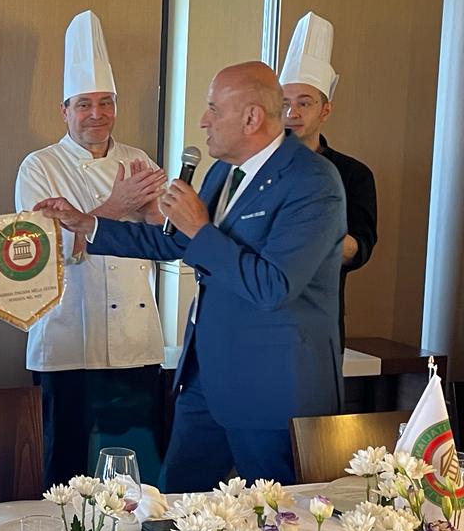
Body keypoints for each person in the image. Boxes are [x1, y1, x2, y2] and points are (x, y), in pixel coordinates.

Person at [37, 61, 345, 491]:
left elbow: (272, 286)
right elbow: (178, 241)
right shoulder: (224, 170)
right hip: (204, 380)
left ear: (252, 118)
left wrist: (199, 228)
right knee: (174, 508)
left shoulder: (312, 182)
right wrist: (89, 225)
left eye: (214, 109)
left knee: (276, 519)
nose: (203, 121)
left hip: (269, 386)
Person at [15, 10, 166, 487]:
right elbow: (38, 256)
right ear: (64, 110)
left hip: (135, 342)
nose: (96, 114)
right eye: (84, 104)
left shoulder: (139, 160)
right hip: (66, 341)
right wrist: (118, 208)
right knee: (66, 472)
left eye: (105, 103)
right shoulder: (38, 167)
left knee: (136, 474)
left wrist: (146, 214)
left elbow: (165, 241)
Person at [279, 11, 377, 347]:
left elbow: (360, 250)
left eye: (304, 103)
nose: (292, 113)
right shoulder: (255, 167)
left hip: (317, 320)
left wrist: (316, 233)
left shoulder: (353, 174)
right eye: (284, 103)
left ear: (326, 110)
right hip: (255, 316)